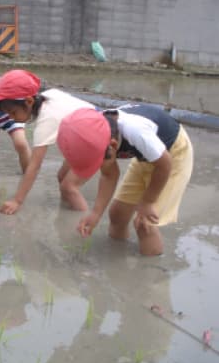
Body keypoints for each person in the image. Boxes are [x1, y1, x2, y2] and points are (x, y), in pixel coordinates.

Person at [56, 105, 193, 256]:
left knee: (144, 223)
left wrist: (148, 202)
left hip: (173, 155)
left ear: (113, 145)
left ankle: (150, 272)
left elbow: (164, 164)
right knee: (117, 214)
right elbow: (109, 175)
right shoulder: (96, 133)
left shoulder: (135, 131)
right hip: (148, 157)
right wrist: (95, 214)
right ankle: (117, 257)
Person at [0, 69, 95, 214]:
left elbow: (34, 166)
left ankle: (83, 221)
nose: (11, 118)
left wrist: (17, 201)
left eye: (13, 112)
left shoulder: (47, 120)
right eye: (8, 114)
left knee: (69, 187)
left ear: (29, 101)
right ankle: (67, 211)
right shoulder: (48, 94)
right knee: (62, 177)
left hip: (95, 139)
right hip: (84, 137)